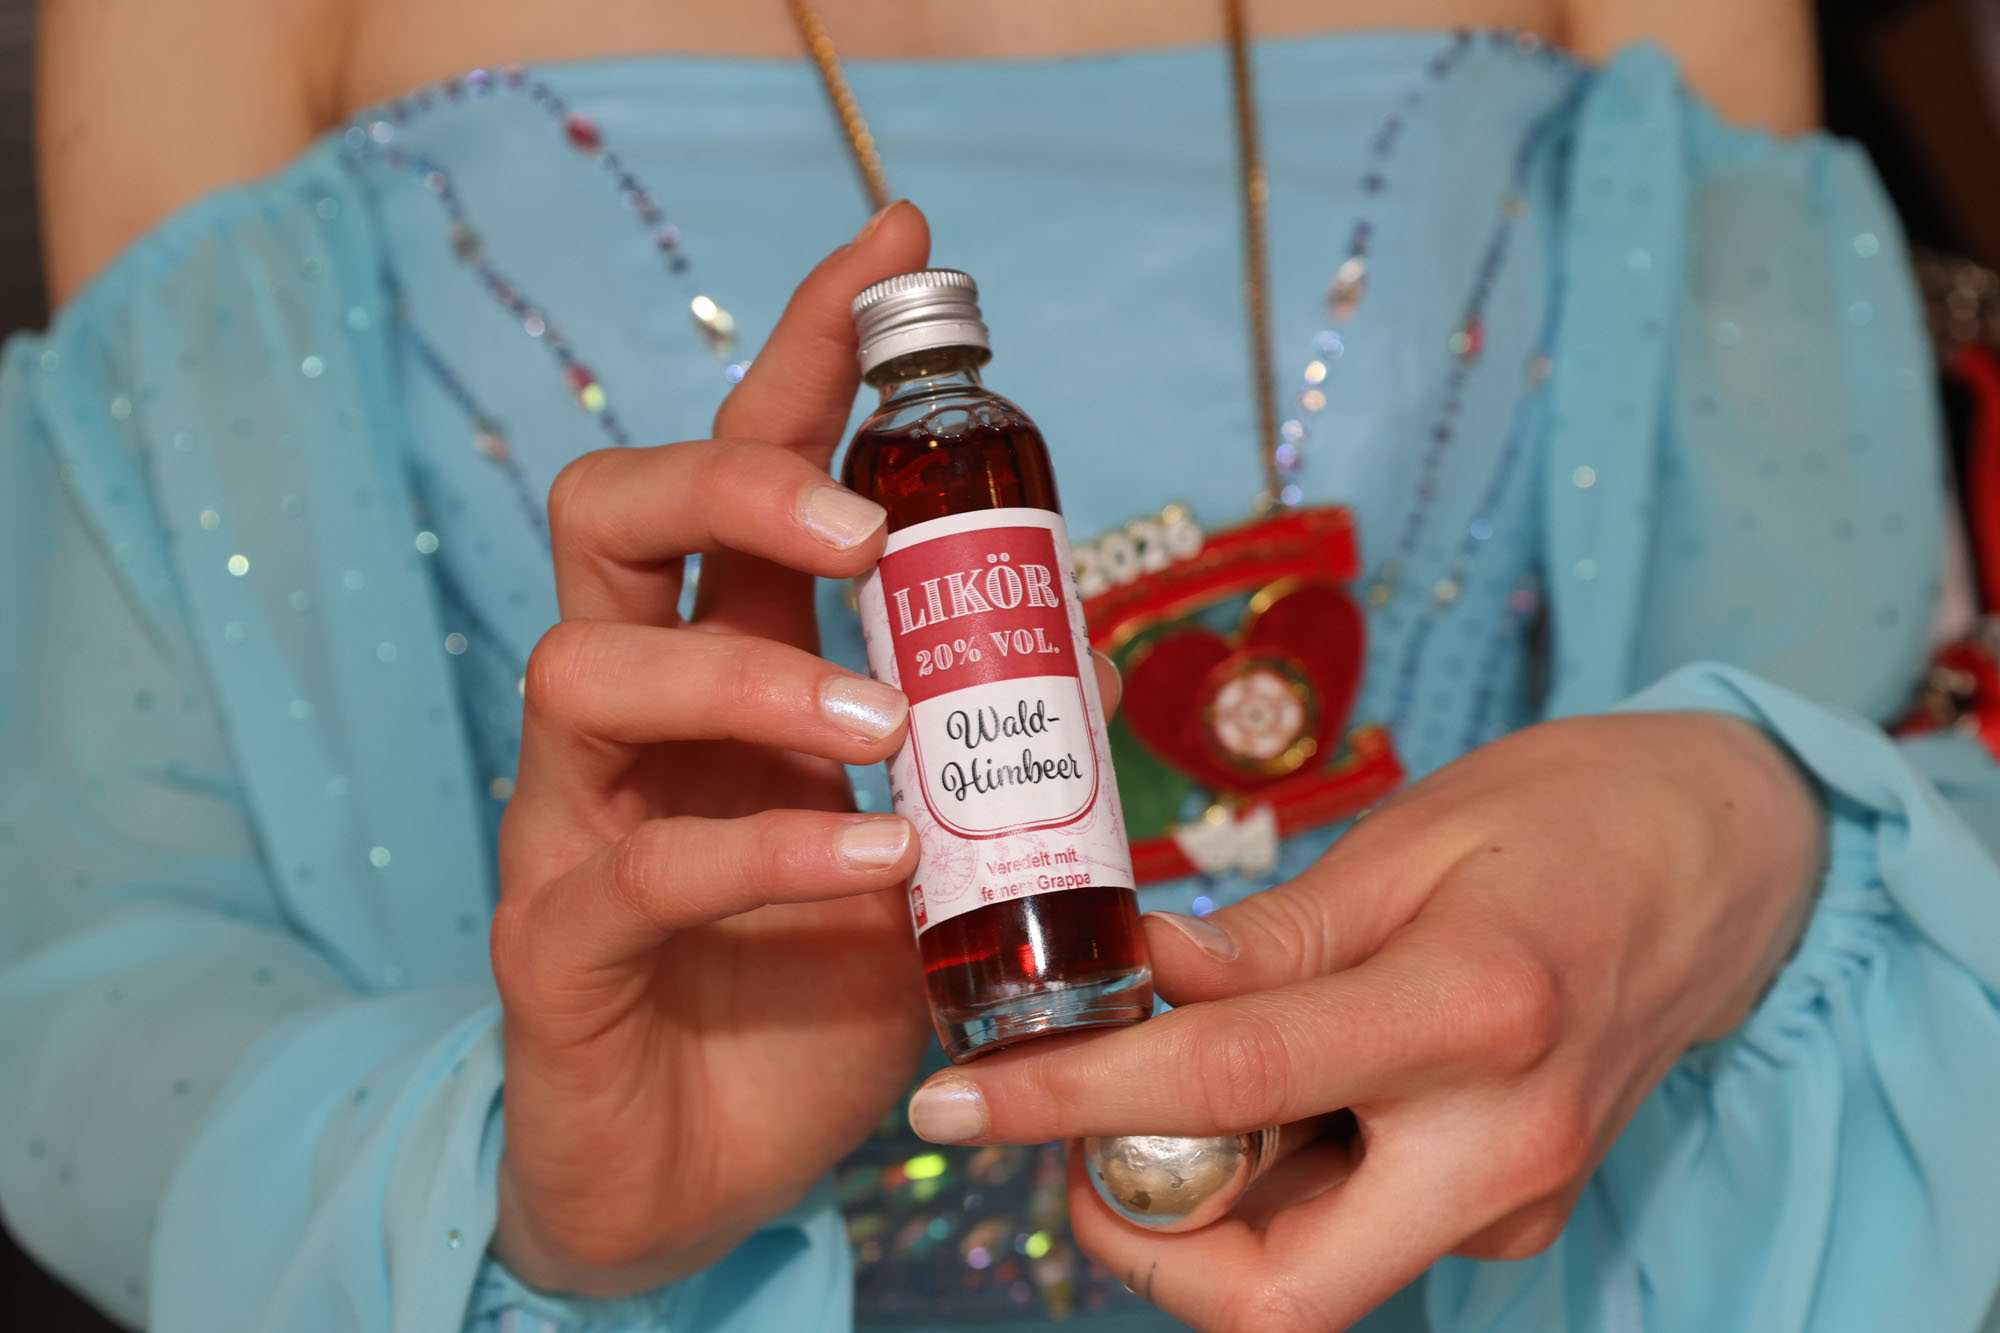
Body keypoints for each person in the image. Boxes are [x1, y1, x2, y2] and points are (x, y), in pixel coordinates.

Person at [3, 0, 1996, 1330]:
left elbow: (1892, 747)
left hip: (1553, 1267)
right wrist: (505, 1173)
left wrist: (1739, 831)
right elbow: (96, 956)